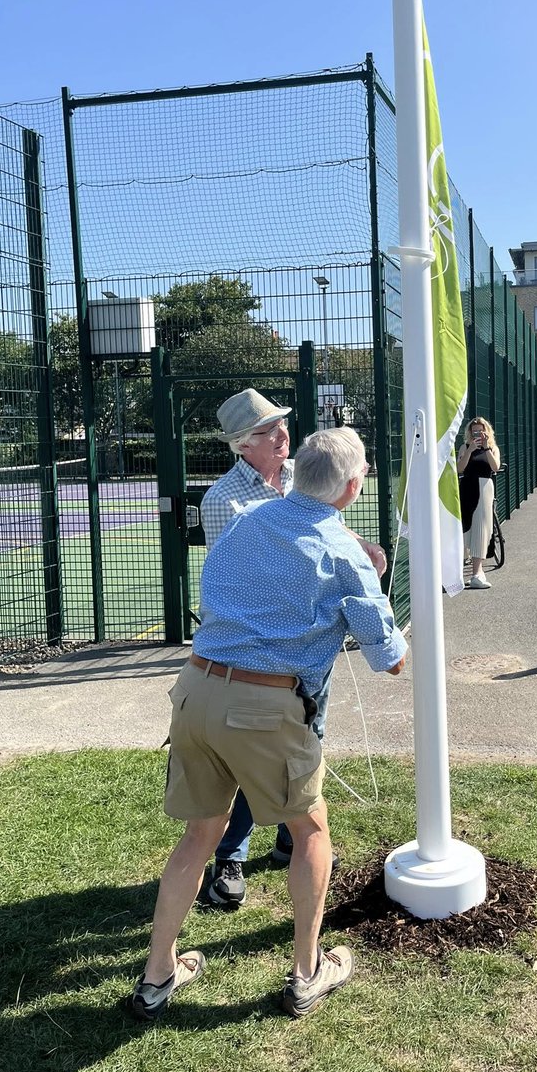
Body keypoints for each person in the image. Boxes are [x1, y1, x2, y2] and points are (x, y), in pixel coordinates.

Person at [131, 427, 407, 1021]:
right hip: (264, 708)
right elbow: (391, 658)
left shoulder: (247, 519)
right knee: (310, 832)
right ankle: (307, 972)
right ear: (353, 487)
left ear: (298, 473)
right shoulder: (343, 552)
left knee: (198, 837)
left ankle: (159, 972)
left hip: (195, 690)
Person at [199, 388, 387, 907]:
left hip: (310, 650)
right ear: (242, 445)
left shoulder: (295, 481)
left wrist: (360, 551)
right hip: (258, 658)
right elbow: (239, 581)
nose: (283, 435)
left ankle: (290, 837)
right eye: (268, 430)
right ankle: (231, 857)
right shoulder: (224, 501)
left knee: (311, 736)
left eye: (283, 424)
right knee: (246, 759)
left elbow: (327, 531)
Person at [456, 416, 501, 589]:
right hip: (467, 487)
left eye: (481, 430)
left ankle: (477, 573)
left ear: (486, 431)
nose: (478, 433)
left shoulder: (493, 448)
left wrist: (487, 448)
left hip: (484, 488)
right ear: (470, 432)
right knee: (464, 528)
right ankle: (458, 572)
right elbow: (460, 468)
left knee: (482, 528)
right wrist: (470, 450)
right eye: (474, 431)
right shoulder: (464, 447)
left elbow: (495, 467)